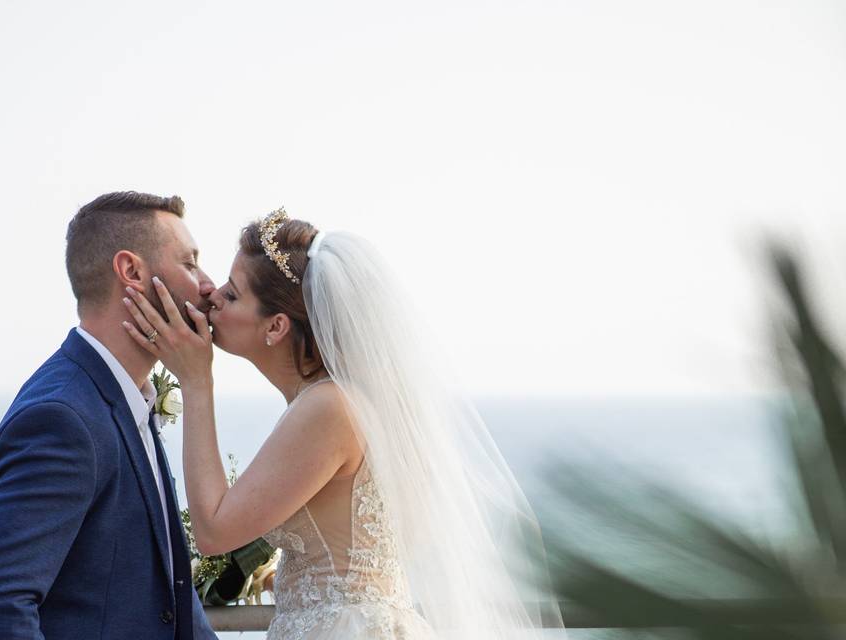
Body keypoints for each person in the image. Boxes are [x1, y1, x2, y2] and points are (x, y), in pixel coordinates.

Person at [123, 207, 564, 639]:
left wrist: (197, 383)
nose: (212, 295)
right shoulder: (332, 401)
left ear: (275, 326)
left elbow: (215, 532)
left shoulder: (329, 407)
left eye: (233, 293)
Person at [0, 191, 219, 640]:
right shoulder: (65, 419)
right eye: (190, 263)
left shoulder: (121, 396)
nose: (208, 284)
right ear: (132, 271)